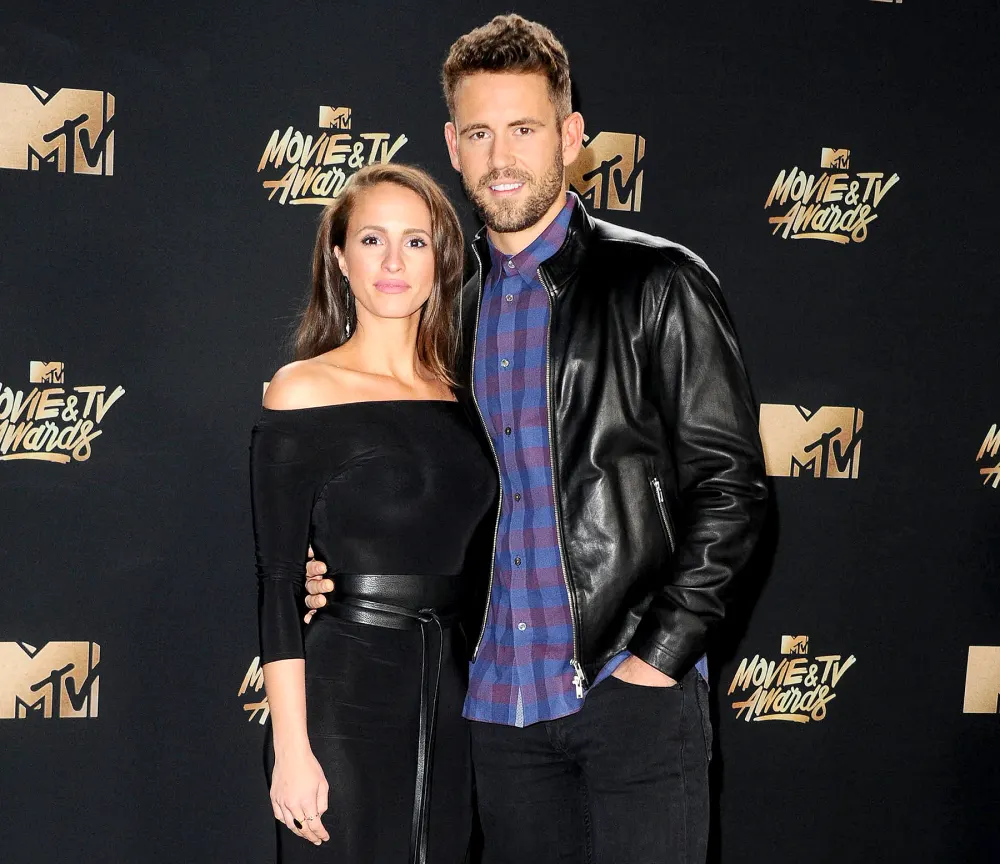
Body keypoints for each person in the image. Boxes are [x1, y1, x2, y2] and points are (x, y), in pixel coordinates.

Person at [303, 14, 769, 864]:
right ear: (451, 142)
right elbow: (434, 497)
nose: (501, 156)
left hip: (630, 694)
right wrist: (344, 567)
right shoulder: (449, 318)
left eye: (524, 128)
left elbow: (732, 489)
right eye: (479, 133)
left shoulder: (658, 281)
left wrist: (657, 659)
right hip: (496, 714)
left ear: (572, 134)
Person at [250, 163, 497, 864]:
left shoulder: (468, 397)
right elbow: (275, 581)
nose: (394, 262)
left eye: (416, 242)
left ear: (441, 259)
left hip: (454, 703)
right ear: (339, 257)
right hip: (342, 701)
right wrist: (293, 749)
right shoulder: (301, 390)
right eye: (372, 240)